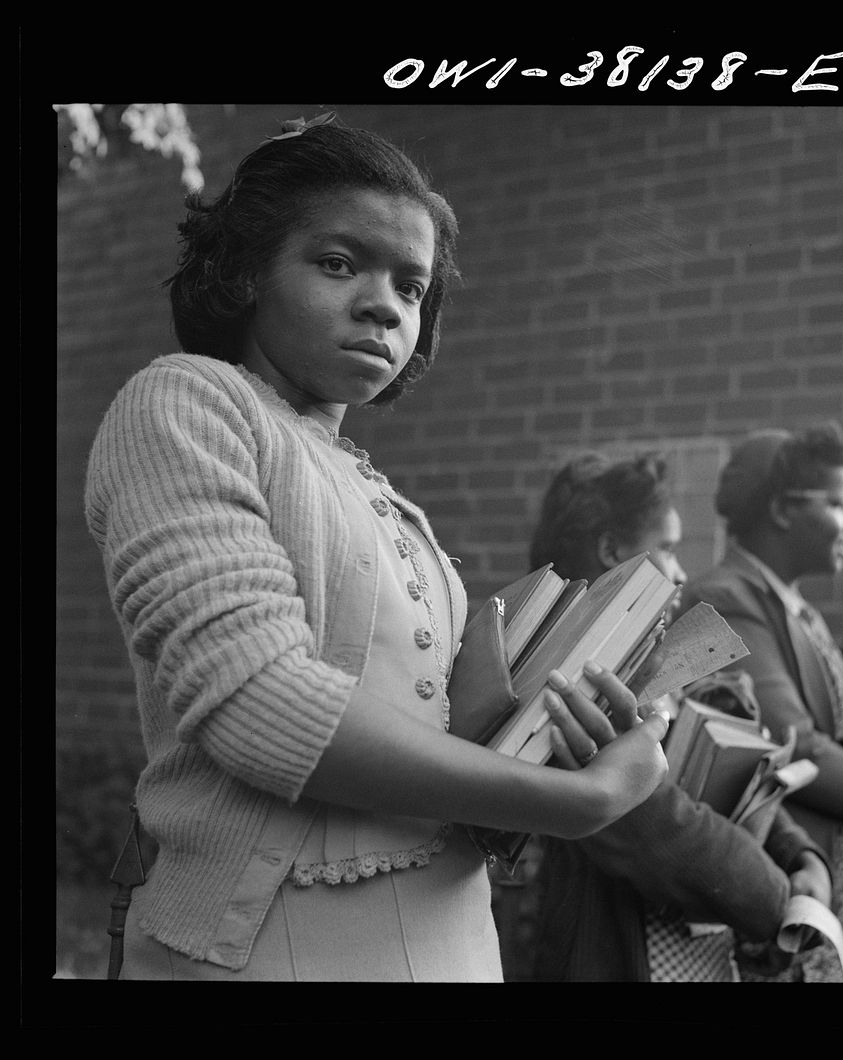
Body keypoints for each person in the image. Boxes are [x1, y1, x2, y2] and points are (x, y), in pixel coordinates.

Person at [83, 113, 670, 981]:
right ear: (244, 270)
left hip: (454, 939)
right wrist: (571, 800)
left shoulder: (382, 492)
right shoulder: (185, 403)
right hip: (266, 949)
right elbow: (256, 701)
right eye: (336, 262)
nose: (383, 304)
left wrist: (549, 731)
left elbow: (430, 744)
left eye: (410, 284)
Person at [527, 451, 833, 982]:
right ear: (612, 550)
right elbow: (658, 826)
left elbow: (736, 771)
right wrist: (778, 892)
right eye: (668, 547)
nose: (681, 570)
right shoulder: (570, 679)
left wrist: (801, 853)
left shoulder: (651, 657)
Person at [679, 424, 843, 982]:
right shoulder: (727, 599)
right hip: (802, 878)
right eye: (838, 504)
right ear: (784, 510)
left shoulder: (795, 609)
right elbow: (794, 746)